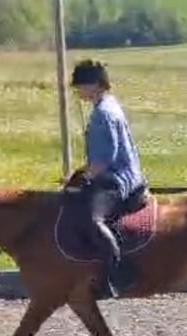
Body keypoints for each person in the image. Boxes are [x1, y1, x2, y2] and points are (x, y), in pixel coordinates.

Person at [68, 59, 147, 298]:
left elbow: (104, 158)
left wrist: (85, 178)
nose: (78, 91)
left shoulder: (103, 113)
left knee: (92, 219)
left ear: (94, 84)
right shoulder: (109, 105)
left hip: (117, 179)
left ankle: (118, 273)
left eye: (80, 86)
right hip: (121, 172)